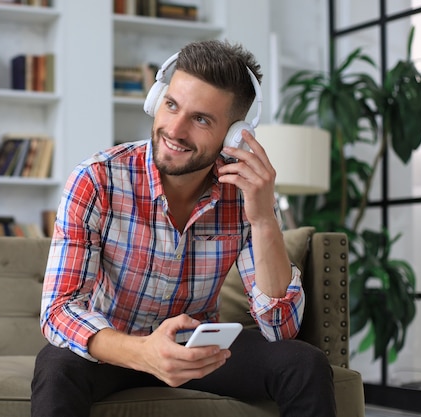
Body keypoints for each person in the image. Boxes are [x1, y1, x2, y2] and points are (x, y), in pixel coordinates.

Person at [31, 39, 336, 417]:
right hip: (115, 347)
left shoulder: (244, 194)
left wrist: (262, 219)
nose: (174, 129)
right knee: (56, 365)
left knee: (303, 363)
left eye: (201, 119)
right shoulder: (96, 179)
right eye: (171, 104)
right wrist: (144, 352)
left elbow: (280, 327)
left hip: (199, 352)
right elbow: (59, 310)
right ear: (156, 98)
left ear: (233, 135)